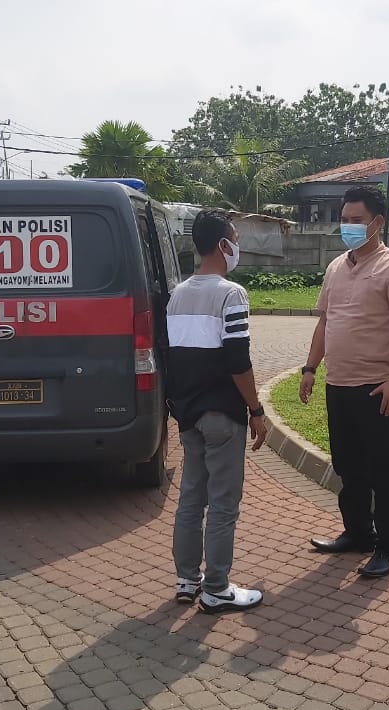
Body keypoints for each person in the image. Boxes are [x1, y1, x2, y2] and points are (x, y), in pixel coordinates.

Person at [300, 186, 389, 578]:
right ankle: (358, 533)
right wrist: (310, 368)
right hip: (339, 385)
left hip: (376, 388)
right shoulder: (336, 267)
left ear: (377, 222)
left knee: (383, 472)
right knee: (348, 467)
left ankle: (388, 547)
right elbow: (326, 322)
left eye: (357, 220)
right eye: (344, 220)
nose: (348, 226)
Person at [166, 208, 267, 614]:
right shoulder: (231, 294)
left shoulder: (177, 294)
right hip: (223, 415)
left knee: (191, 498)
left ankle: (187, 579)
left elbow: (174, 356)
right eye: (235, 239)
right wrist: (256, 409)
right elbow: (238, 361)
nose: (237, 245)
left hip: (188, 414)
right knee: (224, 504)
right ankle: (217, 589)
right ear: (223, 244)